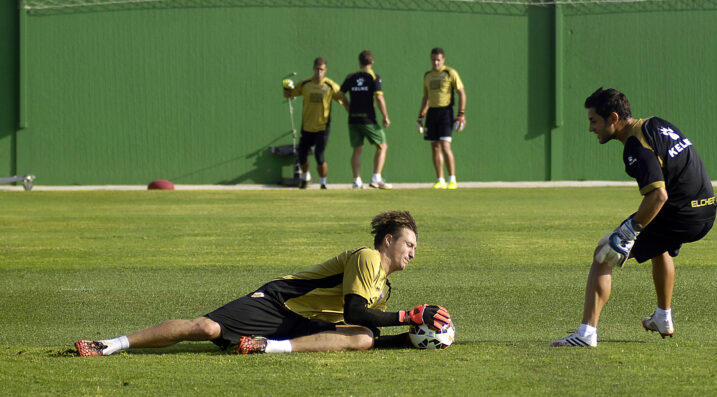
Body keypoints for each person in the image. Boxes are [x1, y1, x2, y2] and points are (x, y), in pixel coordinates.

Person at [75, 210, 452, 356]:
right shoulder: (369, 258)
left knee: (365, 337)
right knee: (206, 328)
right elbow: (355, 309)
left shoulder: (383, 289)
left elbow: (365, 323)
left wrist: (406, 336)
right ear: (388, 240)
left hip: (303, 327)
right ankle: (111, 344)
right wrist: (412, 315)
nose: (413, 253)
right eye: (410, 244)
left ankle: (266, 347)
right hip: (276, 304)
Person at [551, 88, 717, 348]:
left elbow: (658, 196)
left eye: (593, 121)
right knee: (658, 245)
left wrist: (628, 232)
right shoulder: (655, 123)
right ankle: (663, 317)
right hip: (707, 209)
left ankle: (586, 335)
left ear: (613, 118)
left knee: (604, 252)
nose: (590, 128)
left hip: (680, 212)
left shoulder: (636, 146)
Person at [283, 57, 348, 189]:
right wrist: (286, 86)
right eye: (317, 69)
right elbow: (289, 94)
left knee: (319, 155)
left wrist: (352, 110)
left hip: (322, 126)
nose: (319, 72)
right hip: (307, 126)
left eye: (322, 70)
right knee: (301, 156)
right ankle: (305, 177)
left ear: (326, 70)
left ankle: (323, 183)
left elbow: (342, 98)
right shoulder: (305, 84)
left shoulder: (330, 85)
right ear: (314, 69)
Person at [339, 50, 392, 189]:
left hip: (353, 120)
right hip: (368, 119)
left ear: (359, 62)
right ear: (372, 62)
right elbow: (379, 97)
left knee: (357, 149)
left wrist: (348, 107)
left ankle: (357, 181)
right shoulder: (374, 77)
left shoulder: (351, 77)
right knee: (382, 146)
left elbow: (340, 94)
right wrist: (385, 116)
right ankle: (376, 178)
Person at [417, 47, 466, 190]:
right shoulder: (427, 75)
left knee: (445, 146)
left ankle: (452, 179)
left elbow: (461, 93)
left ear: (443, 59)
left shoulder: (450, 73)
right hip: (432, 113)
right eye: (433, 60)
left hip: (446, 112)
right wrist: (421, 116)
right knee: (435, 147)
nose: (436, 63)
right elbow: (426, 97)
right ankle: (440, 179)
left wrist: (461, 113)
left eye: (438, 60)